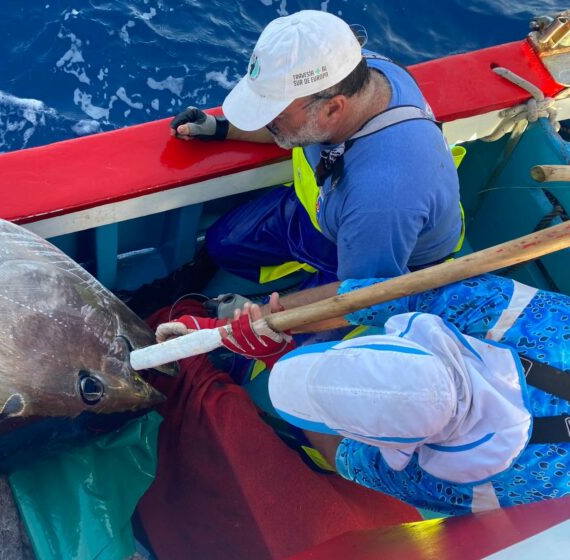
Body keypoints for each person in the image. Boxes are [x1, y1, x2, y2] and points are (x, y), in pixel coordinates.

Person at [125, 10, 462, 316]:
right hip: (322, 212)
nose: (268, 121)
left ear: (333, 109)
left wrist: (263, 315)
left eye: (275, 114)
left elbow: (365, 297)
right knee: (222, 245)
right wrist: (221, 127)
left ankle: (307, 283)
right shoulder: (358, 72)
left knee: (263, 356)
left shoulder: (381, 196)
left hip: (377, 258)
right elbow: (294, 124)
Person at [158, 274, 570, 514]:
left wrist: (277, 356)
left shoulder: (486, 487)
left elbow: (344, 458)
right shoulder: (513, 313)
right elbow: (372, 296)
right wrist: (244, 326)